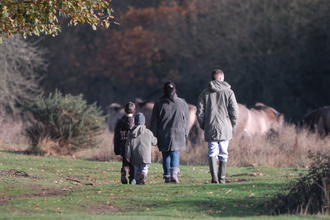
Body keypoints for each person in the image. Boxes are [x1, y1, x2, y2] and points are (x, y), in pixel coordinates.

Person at [196, 69, 239, 184]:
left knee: (212, 152)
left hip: (210, 125)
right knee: (223, 152)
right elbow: (234, 111)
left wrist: (203, 125)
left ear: (212, 79)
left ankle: (214, 176)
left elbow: (200, 112)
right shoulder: (229, 92)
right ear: (221, 78)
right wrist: (232, 124)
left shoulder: (204, 93)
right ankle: (222, 178)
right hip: (225, 126)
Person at [150, 81, 190, 183]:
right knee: (175, 154)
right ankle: (174, 175)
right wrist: (186, 132)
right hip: (179, 133)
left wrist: (153, 135)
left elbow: (154, 122)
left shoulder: (158, 104)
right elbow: (187, 120)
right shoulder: (182, 103)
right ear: (175, 90)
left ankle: (167, 176)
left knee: (166, 155)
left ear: (163, 91)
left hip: (163, 134)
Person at [125, 113, 157, 185]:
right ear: (144, 122)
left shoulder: (131, 133)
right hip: (145, 156)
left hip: (135, 156)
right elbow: (154, 142)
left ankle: (137, 181)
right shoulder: (148, 132)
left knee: (136, 169)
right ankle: (143, 175)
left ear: (135, 122)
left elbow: (128, 146)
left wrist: (128, 156)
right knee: (144, 168)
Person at [113, 102, 135, 184]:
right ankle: (132, 179)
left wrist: (116, 148)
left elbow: (116, 136)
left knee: (125, 161)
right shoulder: (135, 122)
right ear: (134, 111)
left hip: (122, 145)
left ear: (124, 110)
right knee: (132, 162)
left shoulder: (119, 122)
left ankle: (125, 170)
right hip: (133, 145)